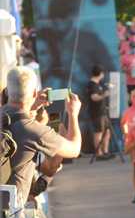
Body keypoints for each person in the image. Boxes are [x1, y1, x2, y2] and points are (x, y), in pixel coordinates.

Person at [2, 67, 83, 206]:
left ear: (8, 91)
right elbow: (74, 149)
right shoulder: (34, 131)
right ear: (34, 93)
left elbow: (16, 118)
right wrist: (73, 114)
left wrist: (33, 105)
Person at [85, 66, 113, 160]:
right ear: (100, 73)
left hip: (103, 112)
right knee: (98, 132)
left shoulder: (98, 84)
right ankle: (99, 153)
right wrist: (104, 95)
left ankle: (105, 151)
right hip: (96, 113)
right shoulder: (92, 85)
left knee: (107, 131)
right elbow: (94, 97)